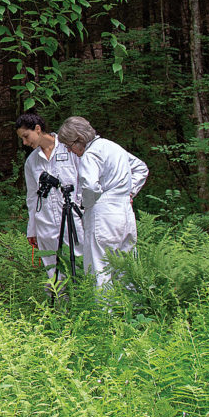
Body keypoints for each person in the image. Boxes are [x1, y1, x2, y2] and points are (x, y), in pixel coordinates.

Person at [56, 116, 148, 290]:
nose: (69, 151)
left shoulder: (90, 155)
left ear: (79, 140)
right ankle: (131, 311)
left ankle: (105, 315)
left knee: (100, 269)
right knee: (126, 266)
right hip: (125, 214)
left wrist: (86, 204)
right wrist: (129, 192)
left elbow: (90, 186)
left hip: (103, 216)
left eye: (69, 146)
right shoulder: (113, 147)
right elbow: (140, 168)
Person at [15, 113, 82, 280]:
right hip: (46, 221)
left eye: (26, 136)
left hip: (74, 219)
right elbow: (32, 197)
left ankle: (85, 301)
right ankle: (60, 304)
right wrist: (32, 228)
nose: (25, 142)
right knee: (54, 270)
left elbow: (83, 182)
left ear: (37, 129)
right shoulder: (31, 162)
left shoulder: (70, 149)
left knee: (81, 263)